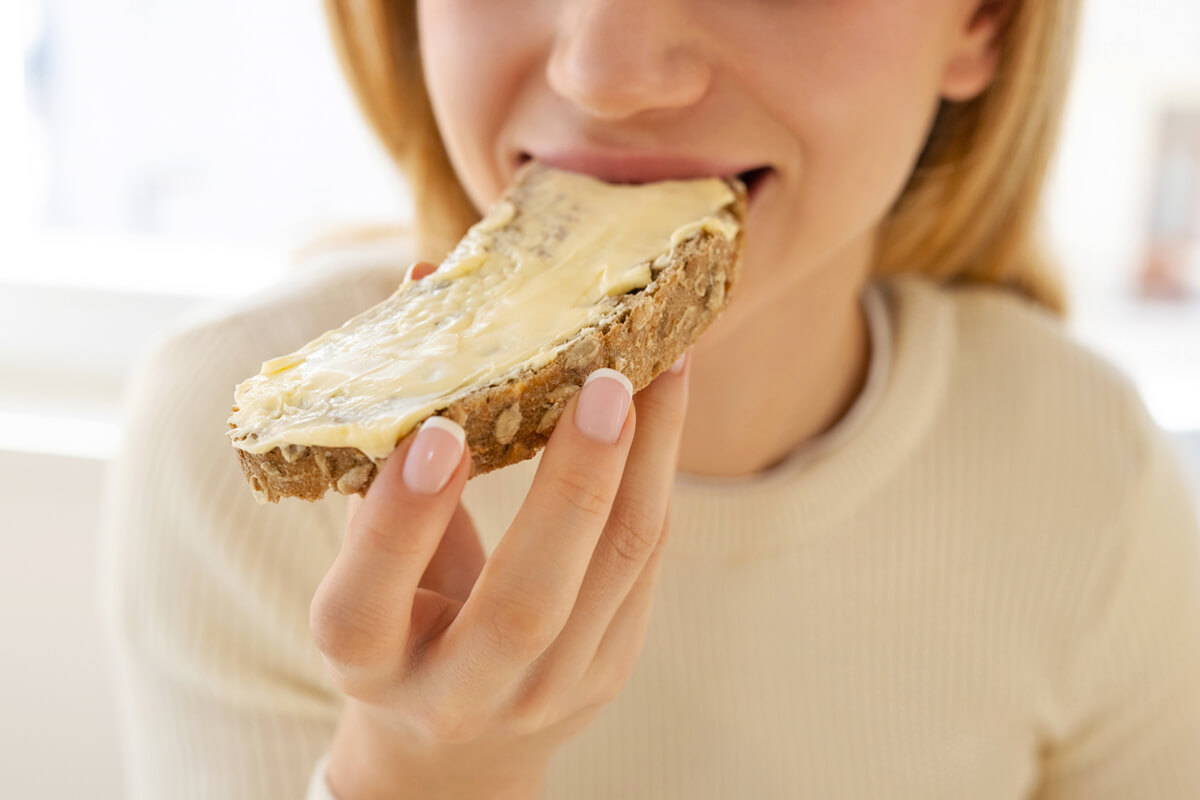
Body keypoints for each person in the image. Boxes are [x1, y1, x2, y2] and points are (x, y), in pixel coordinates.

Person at [99, 0, 1200, 797]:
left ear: (985, 23)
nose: (606, 66)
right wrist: (421, 781)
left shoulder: (1092, 477)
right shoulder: (226, 452)